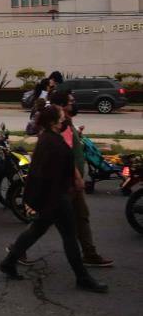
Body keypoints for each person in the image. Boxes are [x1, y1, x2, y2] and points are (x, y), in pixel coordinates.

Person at [0, 105, 108, 293]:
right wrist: (60, 195)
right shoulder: (52, 143)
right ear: (52, 122)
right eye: (60, 116)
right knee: (69, 236)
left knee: (37, 230)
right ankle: (82, 278)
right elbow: (46, 175)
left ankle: (9, 262)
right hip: (55, 198)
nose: (63, 119)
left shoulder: (49, 138)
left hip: (51, 198)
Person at [49, 89, 113, 267]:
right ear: (62, 105)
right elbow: (66, 155)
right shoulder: (62, 126)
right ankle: (17, 251)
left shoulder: (67, 123)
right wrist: (77, 178)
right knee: (46, 221)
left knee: (81, 216)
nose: (73, 103)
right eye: (71, 101)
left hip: (71, 182)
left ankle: (89, 254)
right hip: (67, 183)